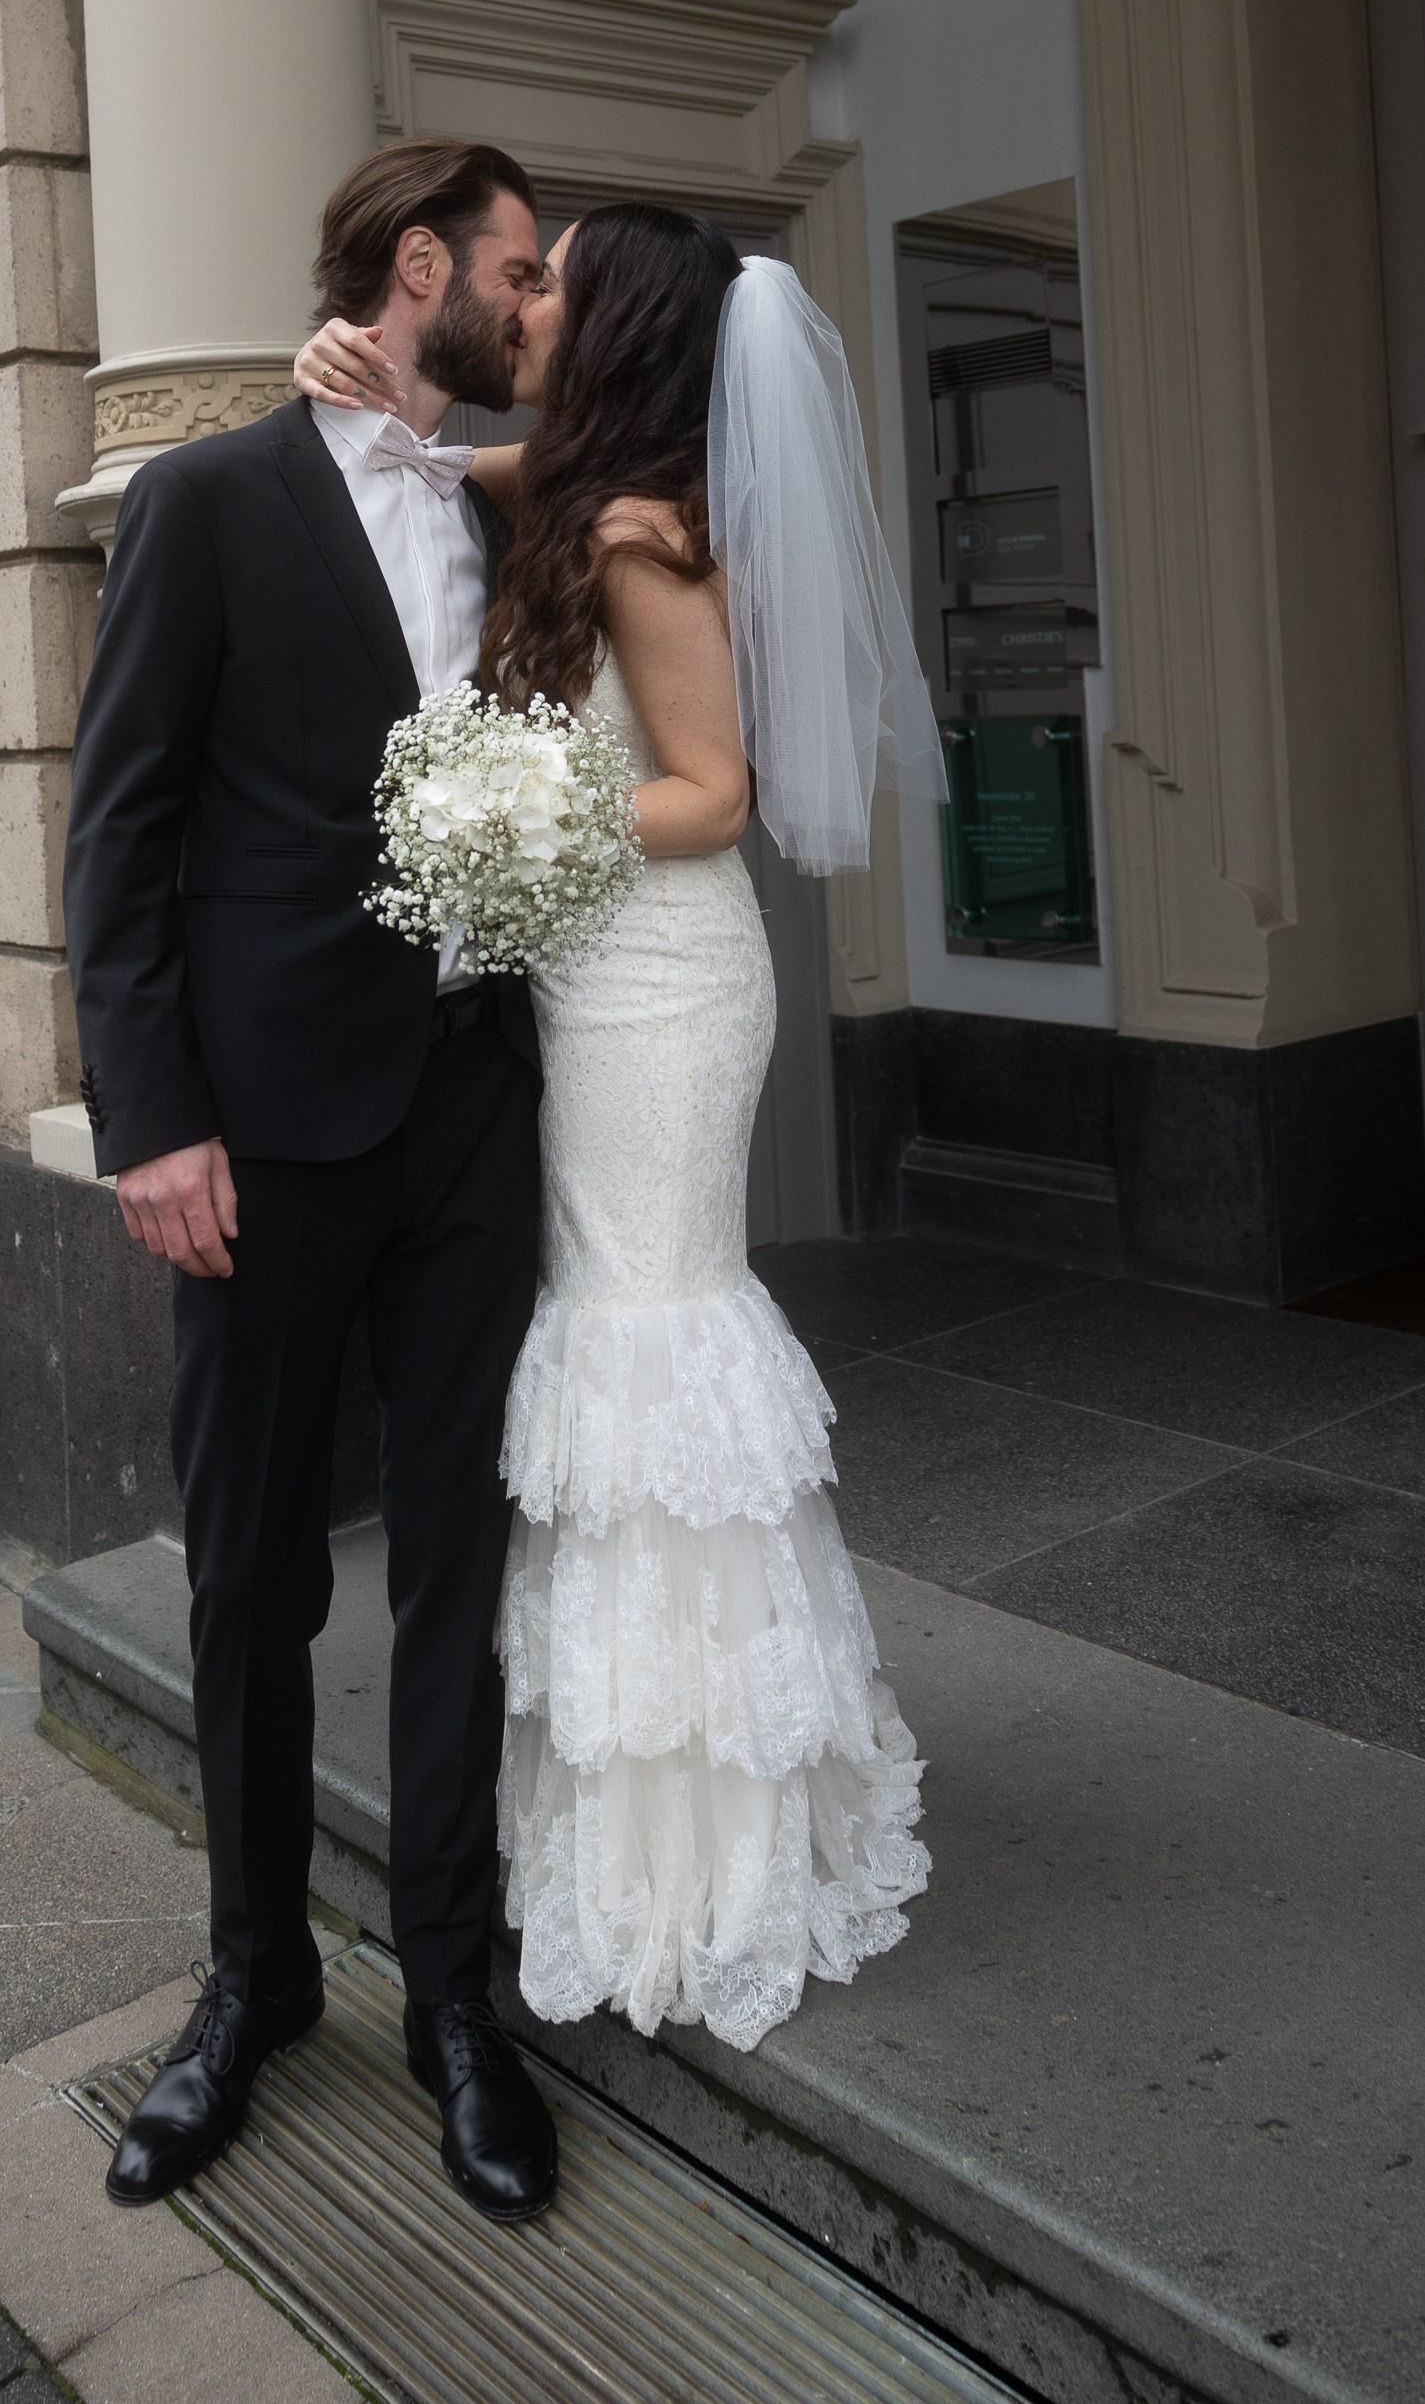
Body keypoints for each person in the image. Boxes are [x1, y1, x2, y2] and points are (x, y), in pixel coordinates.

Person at [295, 203, 936, 2051]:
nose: (530, 292)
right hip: (581, 976)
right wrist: (322, 371)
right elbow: (409, 457)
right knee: (600, 1351)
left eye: (556, 276)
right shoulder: (567, 480)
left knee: (648, 1348)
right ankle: (626, 1805)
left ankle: (701, 1846)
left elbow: (713, 794)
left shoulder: (645, 530)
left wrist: (510, 818)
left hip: (658, 981)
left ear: (625, 320)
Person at [62, 136, 563, 2227]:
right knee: (252, 1571)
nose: (535, 304)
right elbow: (120, 836)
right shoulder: (205, 502)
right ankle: (253, 1981)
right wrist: (148, 1116)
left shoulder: (506, 503)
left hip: (470, 1110)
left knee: (461, 1565)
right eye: (517, 271)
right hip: (256, 1137)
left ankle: (457, 1993)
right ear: (420, 262)